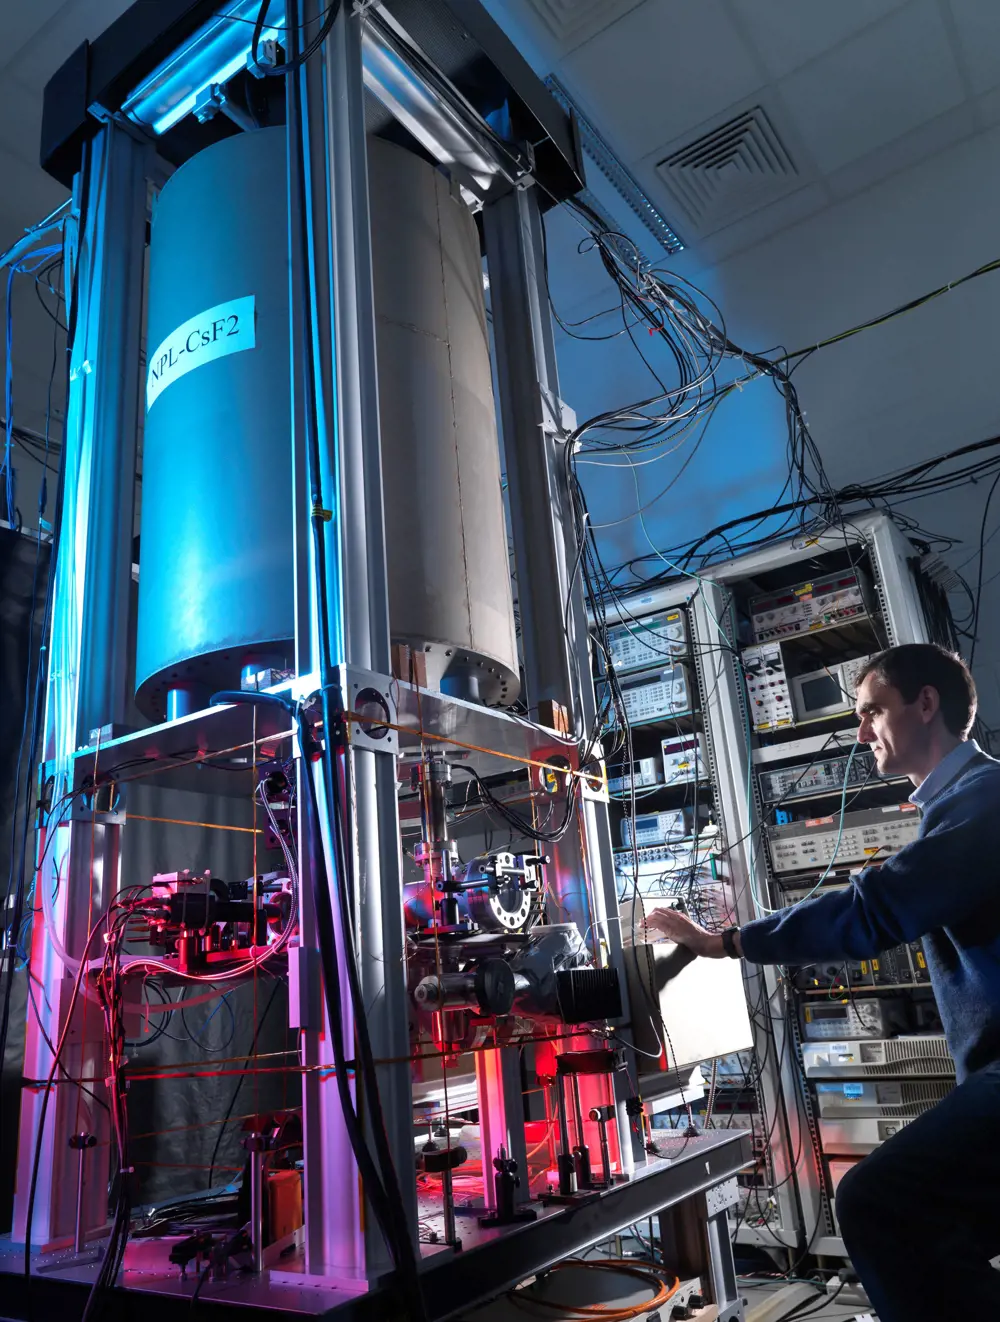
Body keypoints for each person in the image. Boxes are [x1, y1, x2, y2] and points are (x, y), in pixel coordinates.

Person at [646, 643, 1000, 1322]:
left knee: (873, 1204)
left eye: (872, 711)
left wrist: (724, 941)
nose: (861, 731)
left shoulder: (984, 801)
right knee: (935, 1233)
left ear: (926, 704)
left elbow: (875, 910)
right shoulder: (964, 803)